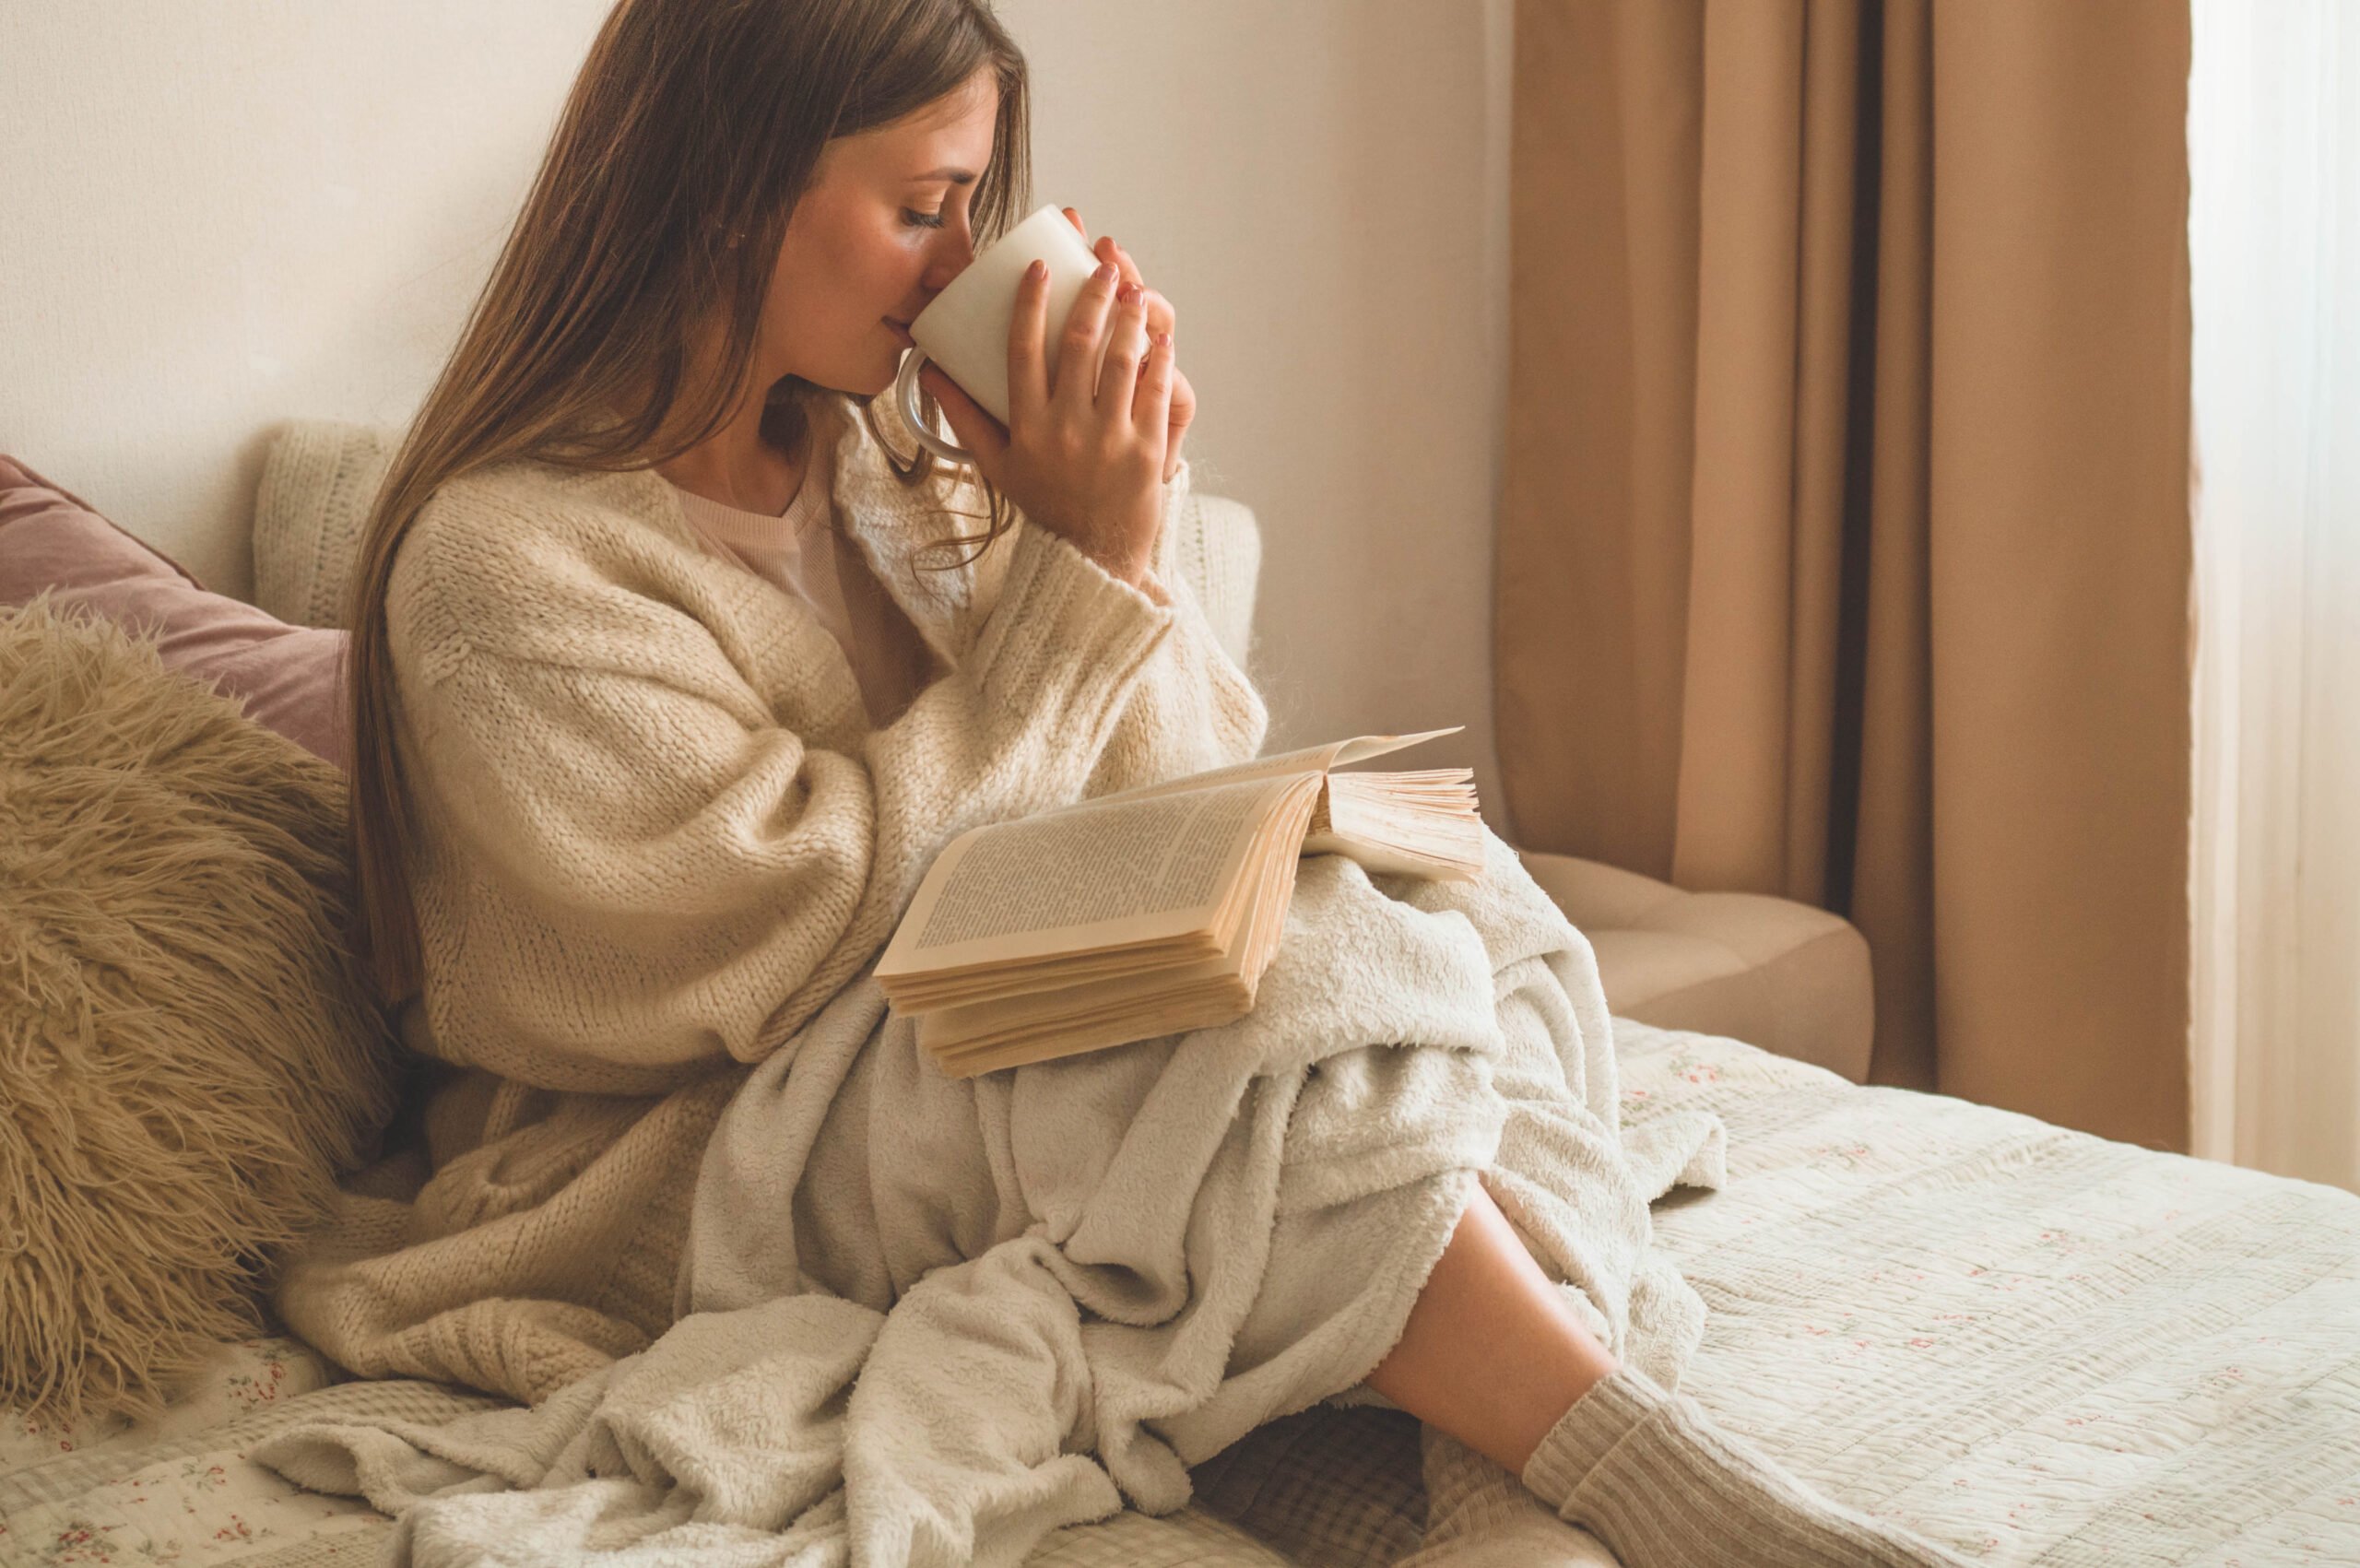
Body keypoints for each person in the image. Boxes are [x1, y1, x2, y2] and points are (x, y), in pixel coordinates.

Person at [281, 3, 1965, 1565]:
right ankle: (1621, 1458)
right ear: (731, 193)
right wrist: (1071, 592)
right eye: (927, 207)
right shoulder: (503, 568)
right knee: (1277, 1006)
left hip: (947, 1057)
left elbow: (1170, 805)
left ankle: (1463, 1470)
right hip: (696, 1139)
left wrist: (1126, 548)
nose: (961, 258)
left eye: (977, 208)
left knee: (1442, 909)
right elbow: (777, 934)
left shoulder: (885, 465)